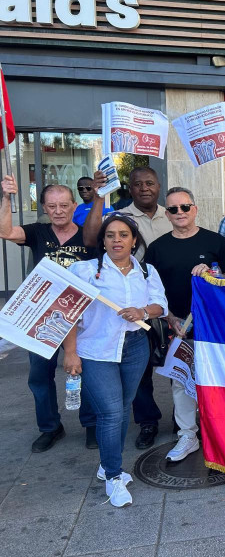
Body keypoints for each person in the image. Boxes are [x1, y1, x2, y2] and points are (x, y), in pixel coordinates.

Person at [64, 213, 167, 508]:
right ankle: (113, 474)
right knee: (110, 412)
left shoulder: (146, 271)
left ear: (134, 240)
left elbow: (161, 305)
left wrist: (143, 311)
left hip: (135, 348)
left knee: (122, 409)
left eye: (123, 235)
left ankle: (107, 464)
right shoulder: (83, 271)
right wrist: (70, 353)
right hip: (96, 349)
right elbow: (69, 313)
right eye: (111, 235)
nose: (117, 240)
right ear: (103, 241)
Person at [0, 175, 97, 452]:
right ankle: (50, 427)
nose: (58, 211)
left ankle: (90, 423)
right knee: (40, 376)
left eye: (64, 205)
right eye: (52, 206)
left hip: (80, 317)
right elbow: (5, 231)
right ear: (44, 207)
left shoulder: (86, 236)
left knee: (86, 371)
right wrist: (6, 197)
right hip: (40, 318)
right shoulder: (38, 232)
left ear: (73, 205)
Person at [144, 187, 225, 462]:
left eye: (185, 207)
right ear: (167, 214)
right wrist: (169, 316)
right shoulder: (157, 248)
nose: (180, 213)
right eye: (173, 209)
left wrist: (215, 273)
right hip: (178, 327)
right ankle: (188, 435)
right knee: (180, 382)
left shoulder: (215, 241)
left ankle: (220, 432)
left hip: (215, 326)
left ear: (195, 209)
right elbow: (150, 289)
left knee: (217, 379)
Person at [83, 166, 172, 450]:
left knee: (171, 367)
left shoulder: (172, 214)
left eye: (150, 183)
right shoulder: (118, 216)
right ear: (129, 189)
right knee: (140, 377)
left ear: (159, 186)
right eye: (137, 184)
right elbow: (92, 238)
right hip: (124, 309)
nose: (144, 188)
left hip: (159, 301)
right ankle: (147, 421)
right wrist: (99, 196)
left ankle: (184, 422)